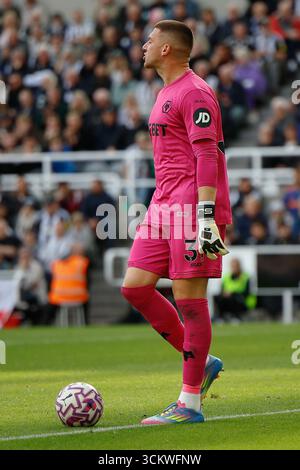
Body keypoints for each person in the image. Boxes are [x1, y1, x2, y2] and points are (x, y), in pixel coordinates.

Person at [121, 20, 232, 425]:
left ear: (167, 48)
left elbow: (208, 156)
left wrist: (206, 216)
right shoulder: (164, 92)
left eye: (150, 40)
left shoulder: (195, 92)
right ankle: (201, 361)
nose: (144, 45)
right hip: (162, 203)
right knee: (135, 288)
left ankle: (189, 405)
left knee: (189, 300)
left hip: (191, 205)